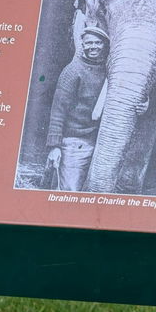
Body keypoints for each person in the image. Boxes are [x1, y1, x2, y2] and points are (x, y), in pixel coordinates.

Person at [44, 26, 109, 190]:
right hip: (74, 143)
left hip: (100, 142)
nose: (93, 47)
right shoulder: (72, 71)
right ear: (82, 45)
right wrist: (54, 146)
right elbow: (58, 112)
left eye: (98, 43)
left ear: (105, 45)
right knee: (70, 191)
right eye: (89, 43)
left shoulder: (109, 70)